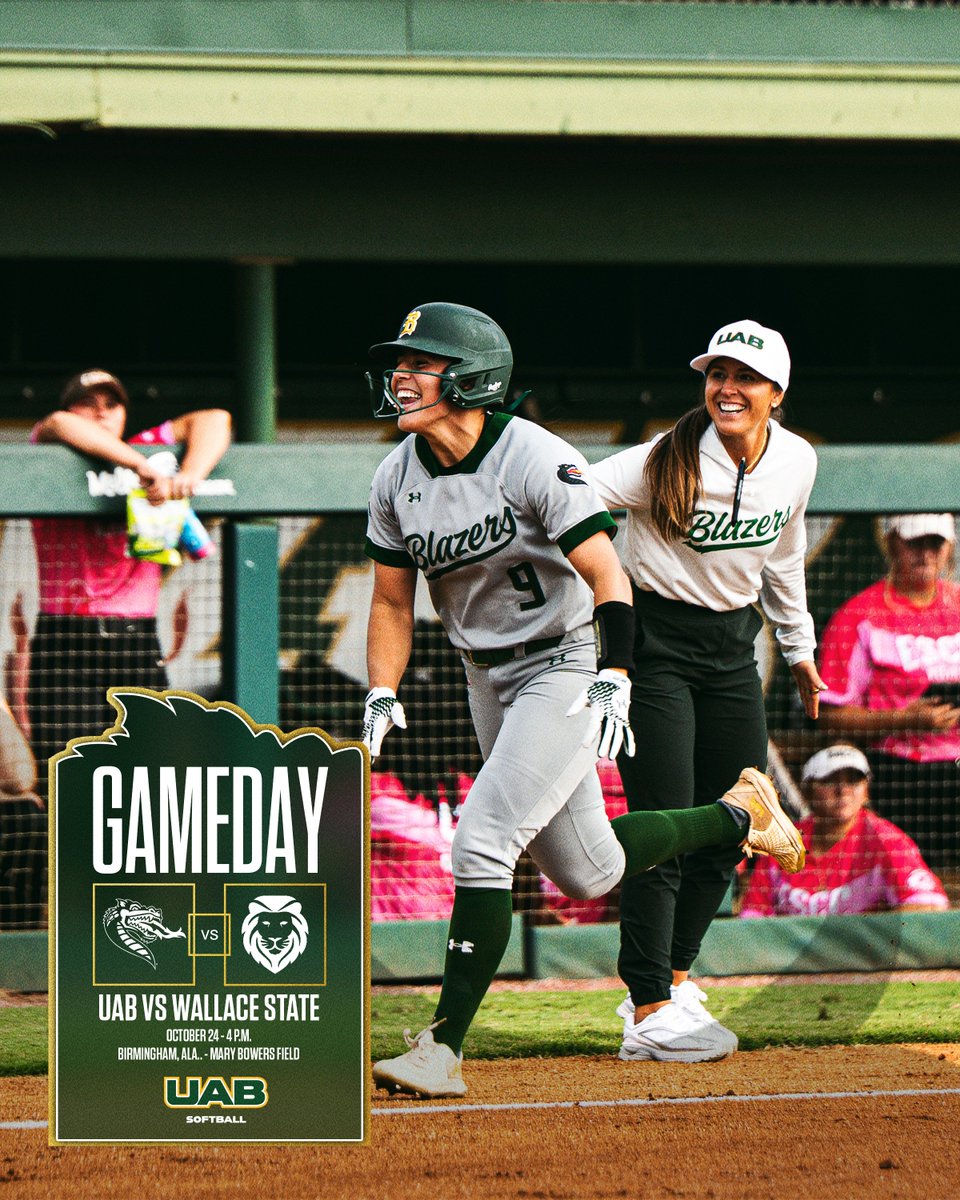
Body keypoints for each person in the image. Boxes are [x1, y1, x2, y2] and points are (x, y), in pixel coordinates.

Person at [360, 302, 805, 1098]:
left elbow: (608, 574)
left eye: (420, 363)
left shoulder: (532, 454)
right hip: (484, 671)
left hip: (566, 659)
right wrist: (382, 691)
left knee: (483, 840)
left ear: (470, 378)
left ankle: (442, 1047)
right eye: (401, 362)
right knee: (588, 871)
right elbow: (393, 604)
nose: (400, 376)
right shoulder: (396, 476)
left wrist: (614, 670)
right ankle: (743, 814)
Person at [588, 318, 824, 1064]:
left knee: (741, 818)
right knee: (664, 823)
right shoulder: (663, 456)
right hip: (653, 646)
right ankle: (647, 1003)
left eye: (744, 377)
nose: (727, 388)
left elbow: (784, 559)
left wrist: (799, 649)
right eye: (716, 374)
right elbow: (570, 505)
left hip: (732, 648)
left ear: (775, 394)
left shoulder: (797, 461)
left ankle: (678, 981)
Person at [26, 369, 231, 790]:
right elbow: (56, 425)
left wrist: (188, 476)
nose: (100, 413)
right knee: (69, 780)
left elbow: (215, 419)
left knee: (150, 778)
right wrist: (140, 466)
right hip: (67, 637)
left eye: (111, 404)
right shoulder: (53, 451)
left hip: (135, 638)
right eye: (88, 403)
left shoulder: (151, 448)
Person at [817, 513, 960, 869]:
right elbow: (830, 716)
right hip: (897, 774)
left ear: (950, 548)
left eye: (935, 543)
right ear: (892, 541)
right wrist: (904, 718)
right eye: (915, 542)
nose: (926, 554)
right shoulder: (858, 616)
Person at [740, 743, 949, 916]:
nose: (843, 790)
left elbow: (930, 906)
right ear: (808, 790)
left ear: (866, 791)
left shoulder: (886, 840)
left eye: (853, 780)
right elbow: (753, 917)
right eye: (830, 780)